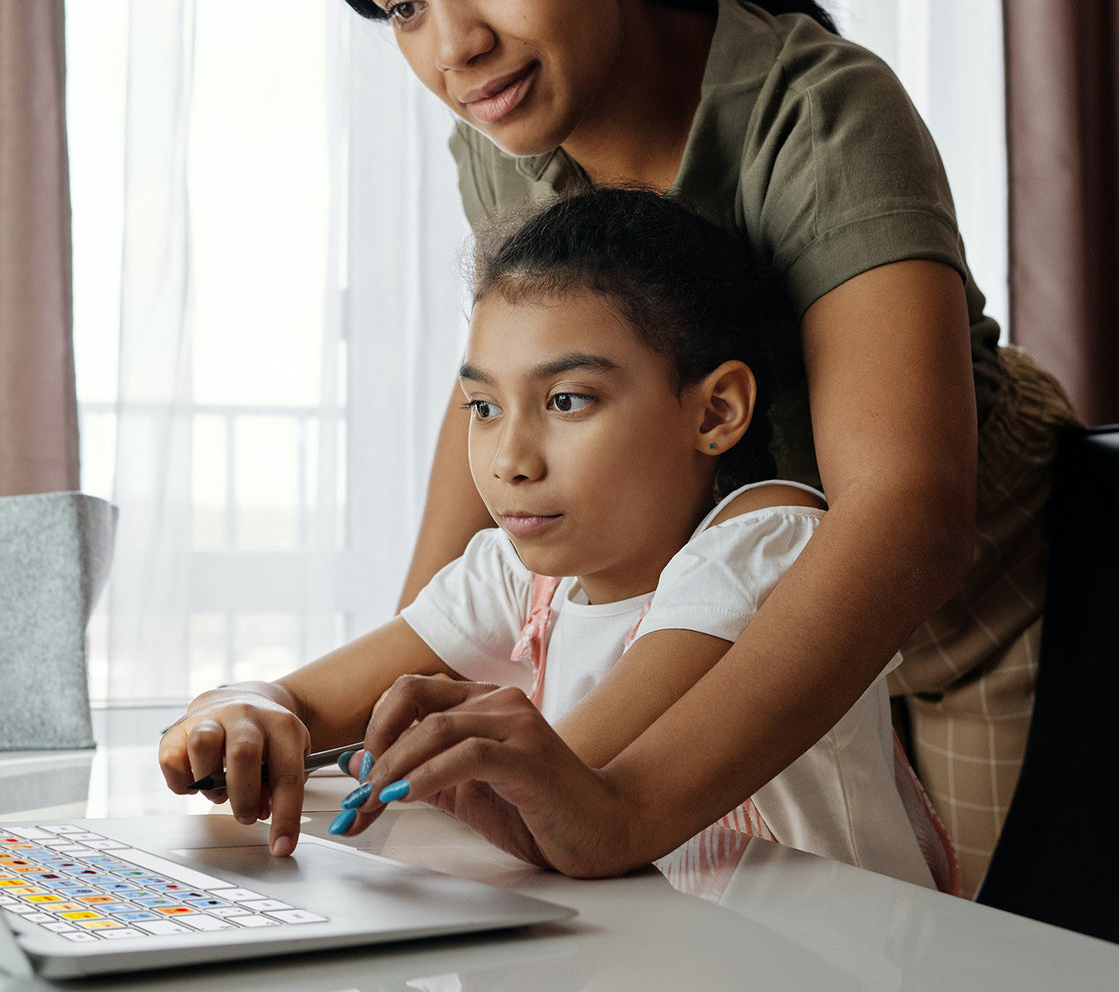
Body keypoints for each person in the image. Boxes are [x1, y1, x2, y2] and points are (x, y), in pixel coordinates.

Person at [306, 0, 1080, 895]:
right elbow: (502, 386)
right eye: (400, 5)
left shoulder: (818, 111)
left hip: (965, 600)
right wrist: (404, 687)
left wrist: (619, 805)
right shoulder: (501, 135)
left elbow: (906, 510)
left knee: (966, 945)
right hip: (719, 597)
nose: (453, 47)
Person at [160, 189, 953, 891]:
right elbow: (304, 699)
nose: (510, 460)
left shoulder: (766, 542)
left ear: (715, 412)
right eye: (483, 407)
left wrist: (424, 756)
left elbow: (571, 788)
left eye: (568, 400)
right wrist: (241, 711)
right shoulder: (522, 576)